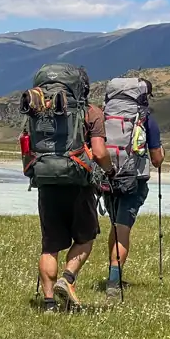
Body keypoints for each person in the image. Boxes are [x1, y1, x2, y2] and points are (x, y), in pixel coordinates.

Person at [24, 65, 114, 312]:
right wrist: (109, 171)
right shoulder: (91, 113)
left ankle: (49, 303)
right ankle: (68, 278)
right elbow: (99, 153)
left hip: (46, 181)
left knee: (50, 245)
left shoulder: (38, 111)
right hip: (78, 184)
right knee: (85, 238)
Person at [103, 77, 164, 302]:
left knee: (115, 226)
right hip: (133, 179)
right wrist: (160, 155)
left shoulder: (105, 115)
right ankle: (113, 282)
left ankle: (113, 275)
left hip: (108, 176)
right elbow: (156, 159)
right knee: (123, 229)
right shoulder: (146, 119)